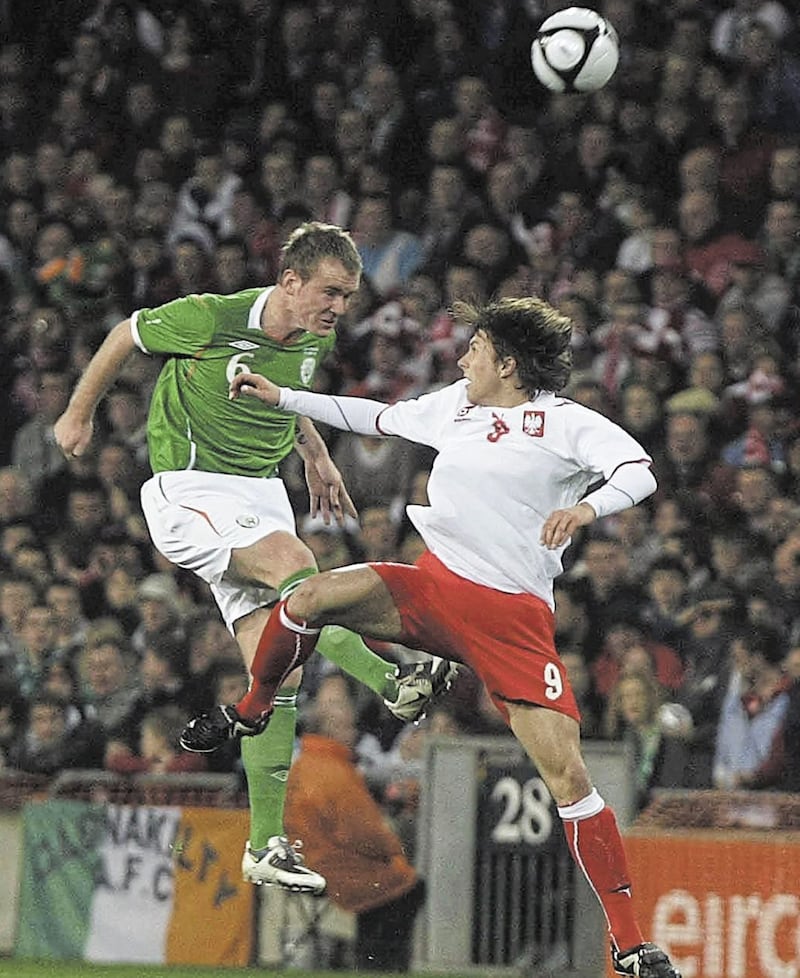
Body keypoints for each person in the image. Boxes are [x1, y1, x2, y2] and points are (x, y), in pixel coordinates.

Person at [221, 295, 681, 978]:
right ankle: (255, 709)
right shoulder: (454, 408)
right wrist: (284, 395)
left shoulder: (563, 420)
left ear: (507, 362)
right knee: (310, 596)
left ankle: (630, 943)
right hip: (435, 587)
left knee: (570, 779)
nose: (463, 357)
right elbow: (375, 416)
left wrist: (586, 507)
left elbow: (638, 471)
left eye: (475, 348)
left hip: (510, 617)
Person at [53, 221, 456, 897]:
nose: (338, 308)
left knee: (279, 667)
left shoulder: (315, 335)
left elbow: (286, 393)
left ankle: (264, 844)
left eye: (348, 296)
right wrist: (78, 412)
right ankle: (388, 680)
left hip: (262, 491)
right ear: (289, 282)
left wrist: (316, 451)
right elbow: (126, 334)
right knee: (295, 564)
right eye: (329, 292)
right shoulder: (211, 317)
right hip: (190, 486)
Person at [284, 672, 425, 972]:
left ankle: (369, 958)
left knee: (385, 890)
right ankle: (380, 965)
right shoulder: (334, 773)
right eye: (348, 727)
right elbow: (362, 833)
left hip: (308, 861)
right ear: (331, 730)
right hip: (337, 866)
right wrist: (394, 849)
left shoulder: (303, 766)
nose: (354, 732)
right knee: (408, 888)